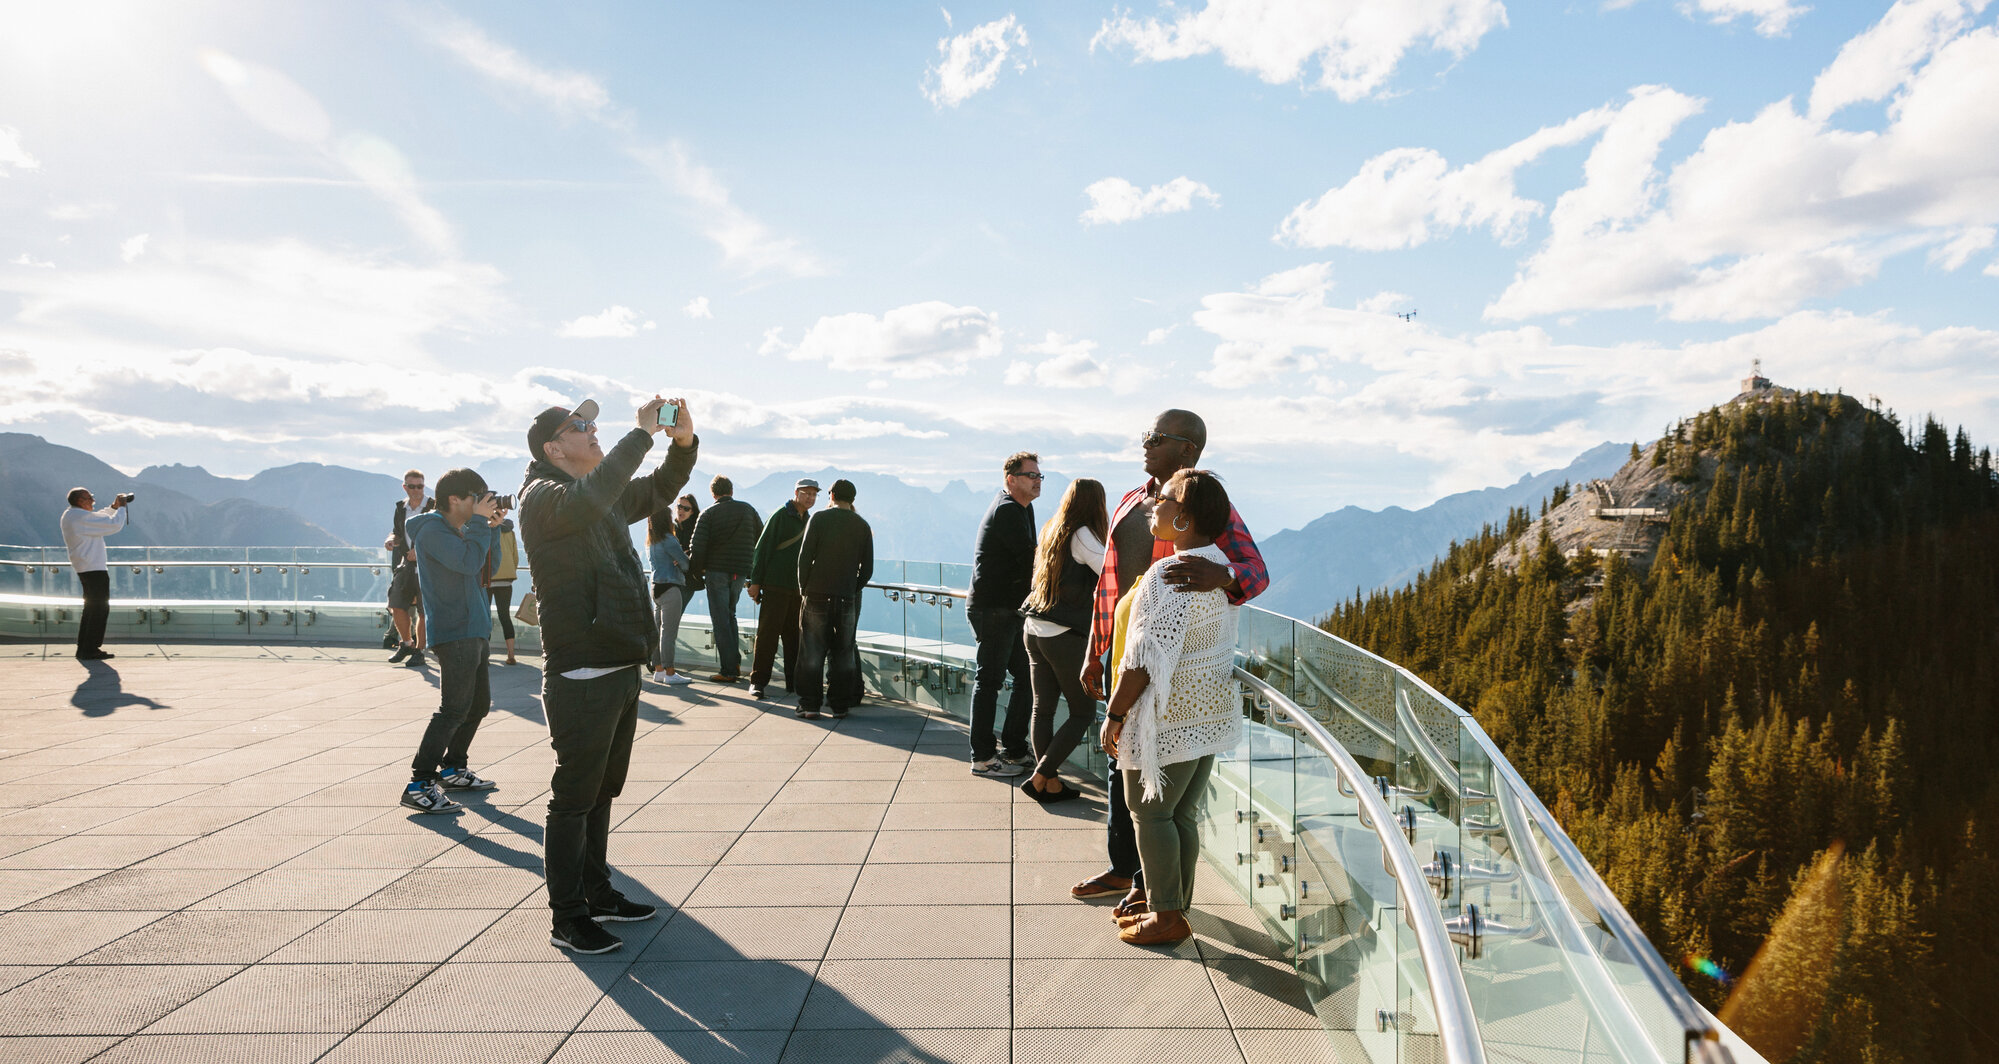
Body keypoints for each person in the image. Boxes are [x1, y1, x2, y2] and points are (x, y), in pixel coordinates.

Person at [1070, 409, 1269, 918]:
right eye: (1146, 435)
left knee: (1150, 796)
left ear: (1188, 449)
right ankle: (1126, 870)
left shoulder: (1200, 503)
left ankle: (1152, 889)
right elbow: (1108, 587)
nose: (1145, 444)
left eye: (1157, 437)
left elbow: (1254, 572)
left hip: (1165, 673)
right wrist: (1096, 652)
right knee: (1123, 776)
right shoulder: (1133, 501)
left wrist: (1221, 576)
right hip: (1125, 656)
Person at [520, 394, 698, 955]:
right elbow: (594, 495)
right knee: (573, 797)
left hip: (619, 661)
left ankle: (597, 892)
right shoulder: (545, 497)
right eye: (581, 426)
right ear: (554, 448)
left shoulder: (593, 496)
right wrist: (639, 434)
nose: (593, 431)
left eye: (595, 424)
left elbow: (657, 491)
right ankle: (567, 917)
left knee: (602, 791)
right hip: (581, 670)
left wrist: (683, 443)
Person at [1098, 469, 1244, 945]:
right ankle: (1174, 906)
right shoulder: (1217, 568)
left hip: (1168, 718)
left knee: (1150, 814)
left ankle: (1166, 916)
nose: (1151, 508)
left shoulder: (1170, 573)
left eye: (1160, 503)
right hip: (1207, 713)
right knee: (1180, 816)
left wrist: (1115, 715)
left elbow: (1144, 659)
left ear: (1182, 517)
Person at [400, 469, 502, 815]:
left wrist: (494, 528)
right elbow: (467, 561)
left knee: (477, 705)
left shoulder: (460, 528)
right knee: (453, 709)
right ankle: (419, 783)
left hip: (473, 626)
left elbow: (489, 567)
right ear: (455, 499)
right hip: (454, 629)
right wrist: (478, 526)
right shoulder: (430, 531)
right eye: (477, 497)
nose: (481, 504)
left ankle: (453, 768)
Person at [1019, 478, 1108, 803]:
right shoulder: (1083, 534)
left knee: (1043, 709)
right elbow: (1108, 569)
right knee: (1082, 712)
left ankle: (1051, 783)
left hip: (1034, 627)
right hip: (1063, 633)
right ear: (1096, 504)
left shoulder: (1051, 529)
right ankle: (1041, 775)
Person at [966, 451, 1041, 776]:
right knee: (990, 680)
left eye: (1039, 475)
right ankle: (982, 757)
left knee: (1025, 677)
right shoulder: (1008, 510)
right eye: (1031, 475)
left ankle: (1013, 749)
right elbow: (1031, 558)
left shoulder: (1023, 508)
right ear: (1011, 479)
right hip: (994, 609)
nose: (1037, 481)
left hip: (1008, 609)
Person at [794, 478, 873, 720]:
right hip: (846, 596)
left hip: (817, 593)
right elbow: (867, 568)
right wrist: (851, 587)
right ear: (853, 499)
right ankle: (839, 705)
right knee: (844, 651)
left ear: (831, 495)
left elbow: (804, 557)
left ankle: (810, 705)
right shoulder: (862, 525)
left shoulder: (818, 518)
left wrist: (803, 587)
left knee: (812, 650)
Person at [746, 478, 818, 700]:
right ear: (796, 492)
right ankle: (758, 682)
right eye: (806, 493)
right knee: (767, 635)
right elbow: (763, 547)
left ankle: (793, 682)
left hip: (797, 589)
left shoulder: (809, 519)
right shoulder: (781, 515)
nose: (810, 498)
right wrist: (755, 581)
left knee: (794, 638)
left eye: (814, 494)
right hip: (776, 585)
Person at [689, 474, 762, 683]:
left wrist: (696, 571)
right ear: (731, 491)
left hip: (717, 571)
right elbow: (761, 537)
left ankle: (729, 670)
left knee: (721, 619)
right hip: (740, 571)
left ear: (713, 493)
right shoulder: (748, 509)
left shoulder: (709, 513)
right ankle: (735, 662)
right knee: (730, 614)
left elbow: (697, 546)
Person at [59, 487, 131, 661]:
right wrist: (121, 508)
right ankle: (90, 649)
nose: (92, 500)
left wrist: (113, 508)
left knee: (91, 608)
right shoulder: (79, 517)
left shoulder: (73, 515)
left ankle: (84, 647)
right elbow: (112, 525)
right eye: (89, 498)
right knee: (99, 608)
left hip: (86, 566)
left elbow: (98, 518)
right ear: (80, 501)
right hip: (93, 567)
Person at [385, 471, 431, 668]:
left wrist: (419, 551)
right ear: (405, 487)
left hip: (427, 565)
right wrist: (391, 540)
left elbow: (439, 534)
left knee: (423, 610)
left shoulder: (433, 507)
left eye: (420, 486)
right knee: (396, 604)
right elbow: (397, 532)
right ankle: (406, 643)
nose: (416, 490)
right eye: (412, 486)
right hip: (406, 564)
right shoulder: (401, 508)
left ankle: (420, 651)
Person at [646, 505, 692, 686]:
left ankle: (658, 670)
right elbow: (686, 565)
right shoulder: (669, 539)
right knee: (668, 633)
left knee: (657, 632)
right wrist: (684, 557)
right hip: (671, 588)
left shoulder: (651, 541)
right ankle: (670, 672)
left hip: (655, 588)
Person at [488, 504, 520, 666]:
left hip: (487, 578)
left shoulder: (485, 531)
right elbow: (515, 556)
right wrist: (510, 570)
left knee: (484, 616)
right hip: (506, 578)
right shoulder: (510, 532)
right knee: (505, 616)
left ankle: (484, 654)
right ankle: (511, 654)